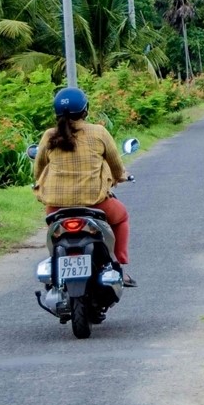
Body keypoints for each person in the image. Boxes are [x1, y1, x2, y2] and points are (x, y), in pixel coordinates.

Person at [32, 87, 137, 287]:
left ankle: (56, 264)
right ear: (85, 110)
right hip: (95, 203)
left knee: (54, 233)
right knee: (121, 217)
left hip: (56, 207)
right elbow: (116, 165)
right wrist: (120, 177)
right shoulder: (98, 132)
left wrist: (39, 181)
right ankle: (118, 264)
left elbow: (38, 169)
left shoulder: (49, 135)